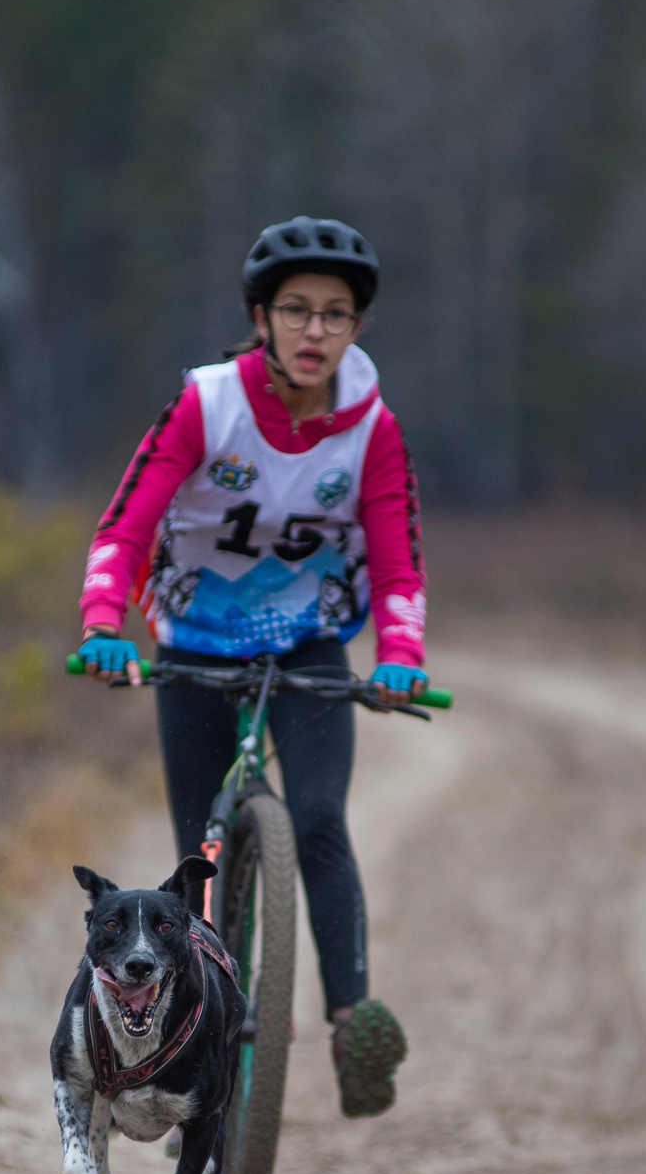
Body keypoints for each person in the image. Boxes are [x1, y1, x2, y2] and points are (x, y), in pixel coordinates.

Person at [75, 215, 424, 1118]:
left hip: (307, 639)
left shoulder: (373, 429)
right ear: (261, 318)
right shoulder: (210, 406)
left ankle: (352, 1026)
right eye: (296, 310)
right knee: (200, 853)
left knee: (319, 819)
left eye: (336, 314)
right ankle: (185, 1046)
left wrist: (400, 658)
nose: (316, 330)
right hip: (194, 635)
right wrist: (105, 624)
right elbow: (126, 524)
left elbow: (397, 563)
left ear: (357, 327)